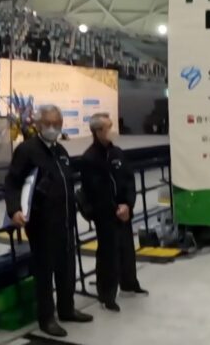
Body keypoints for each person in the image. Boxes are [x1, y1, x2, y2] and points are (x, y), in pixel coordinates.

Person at [4, 105, 93, 338]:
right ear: (38, 124)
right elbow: (12, 182)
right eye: (49, 123)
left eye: (57, 124)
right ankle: (46, 318)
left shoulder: (60, 151)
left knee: (66, 268)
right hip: (42, 223)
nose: (53, 128)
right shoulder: (27, 150)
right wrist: (14, 210)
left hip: (65, 220)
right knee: (44, 273)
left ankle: (66, 309)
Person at [82, 113, 147, 313]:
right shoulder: (90, 158)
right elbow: (95, 190)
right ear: (97, 131)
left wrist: (128, 204)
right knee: (108, 254)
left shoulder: (117, 153)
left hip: (123, 211)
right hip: (105, 214)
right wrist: (114, 209)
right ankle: (107, 295)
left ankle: (129, 283)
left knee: (127, 249)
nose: (112, 131)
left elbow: (128, 179)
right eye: (108, 127)